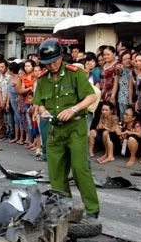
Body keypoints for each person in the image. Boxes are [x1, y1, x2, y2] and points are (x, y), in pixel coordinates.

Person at [33, 39, 100, 218]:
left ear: (61, 57)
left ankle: (92, 209)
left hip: (75, 126)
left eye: (54, 61)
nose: (52, 66)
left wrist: (73, 109)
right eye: (47, 63)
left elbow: (91, 97)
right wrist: (44, 111)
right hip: (54, 129)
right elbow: (39, 104)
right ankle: (65, 207)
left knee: (79, 168)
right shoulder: (42, 79)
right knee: (55, 173)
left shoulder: (75, 72)